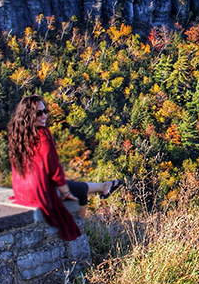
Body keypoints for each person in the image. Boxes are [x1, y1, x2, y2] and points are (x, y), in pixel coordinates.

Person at [8, 95, 122, 241]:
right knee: (79, 192)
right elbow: (54, 169)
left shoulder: (17, 134)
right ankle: (82, 230)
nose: (44, 116)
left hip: (21, 190)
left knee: (76, 187)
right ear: (29, 115)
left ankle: (104, 186)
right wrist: (65, 192)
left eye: (45, 111)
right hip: (39, 193)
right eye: (39, 113)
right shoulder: (42, 134)